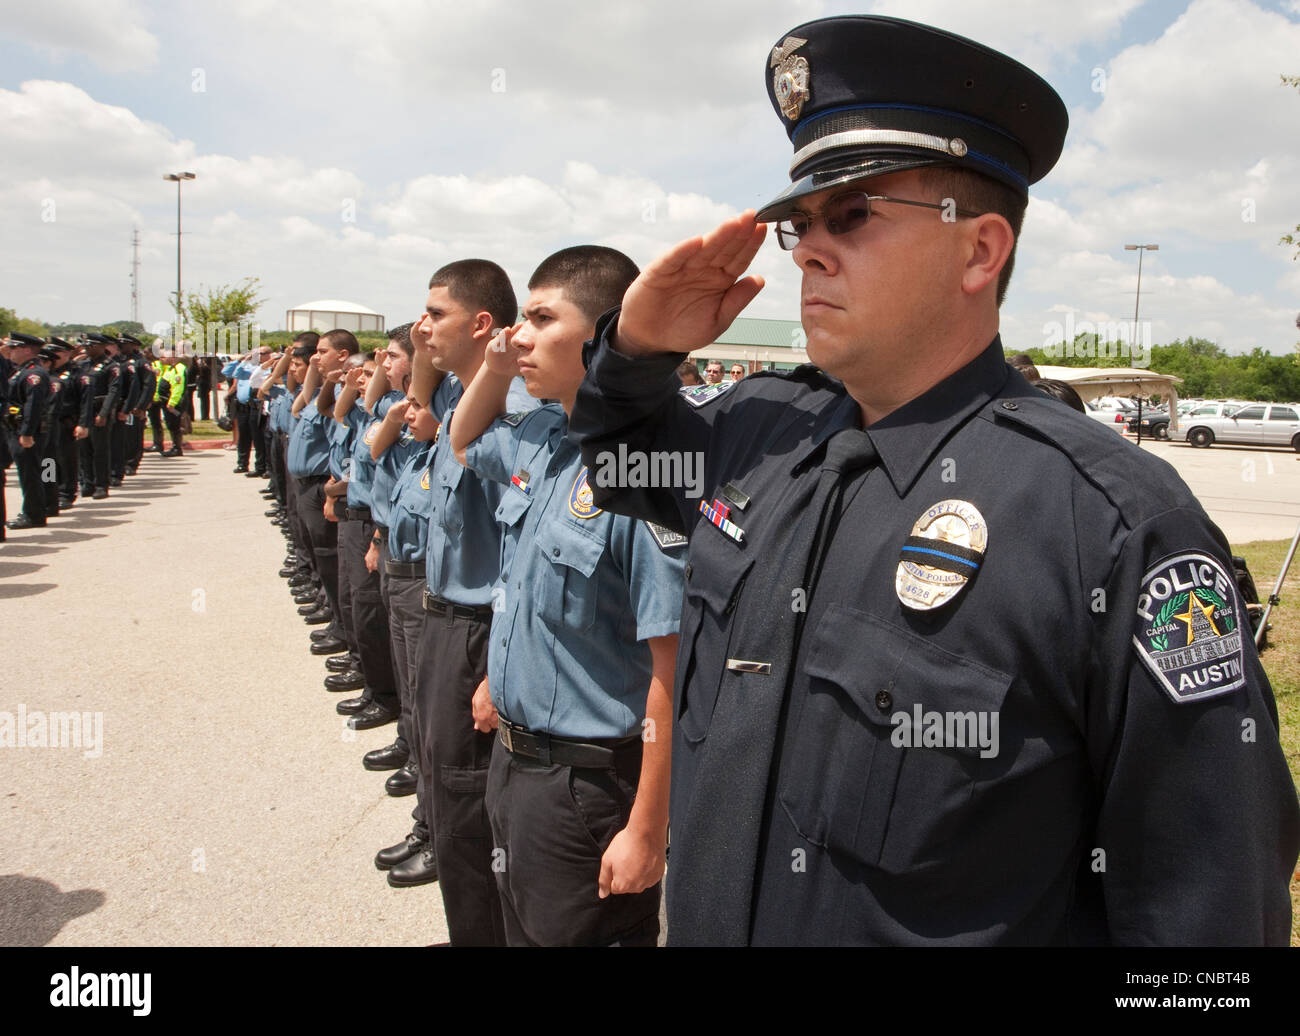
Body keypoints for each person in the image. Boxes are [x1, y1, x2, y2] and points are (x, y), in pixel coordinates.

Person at [568, 15, 1299, 945]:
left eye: (853, 214)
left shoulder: (1110, 525)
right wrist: (637, 346)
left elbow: (1207, 918)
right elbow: (623, 460)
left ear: (980, 250)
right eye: (800, 223)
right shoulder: (760, 428)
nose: (807, 250)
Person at [451, 245, 686, 947]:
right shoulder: (549, 441)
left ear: (604, 337)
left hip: (586, 793)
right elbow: (465, 442)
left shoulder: (641, 473)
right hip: (516, 767)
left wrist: (648, 828)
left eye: (540, 317)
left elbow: (671, 670)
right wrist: (506, 674)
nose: (515, 336)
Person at [3, 332, 52, 529]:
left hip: (26, 432)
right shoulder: (21, 370)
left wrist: (27, 432)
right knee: (27, 473)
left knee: (31, 474)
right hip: (16, 429)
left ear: (26, 350)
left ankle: (34, 514)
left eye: (14, 348)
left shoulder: (34, 374)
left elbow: (34, 405)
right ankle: (34, 511)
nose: (11, 352)